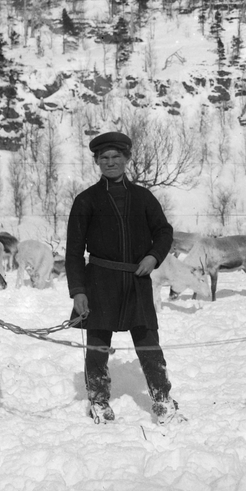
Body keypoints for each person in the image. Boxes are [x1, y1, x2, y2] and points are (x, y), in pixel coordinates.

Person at [66, 131, 184, 425]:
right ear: (96, 161)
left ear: (127, 159)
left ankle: (162, 399)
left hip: (136, 282)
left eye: (116, 157)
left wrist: (153, 256)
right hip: (99, 282)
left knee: (148, 343)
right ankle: (98, 400)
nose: (110, 162)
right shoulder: (86, 201)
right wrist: (78, 290)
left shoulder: (143, 197)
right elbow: (73, 252)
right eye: (104, 158)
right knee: (97, 346)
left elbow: (164, 232)